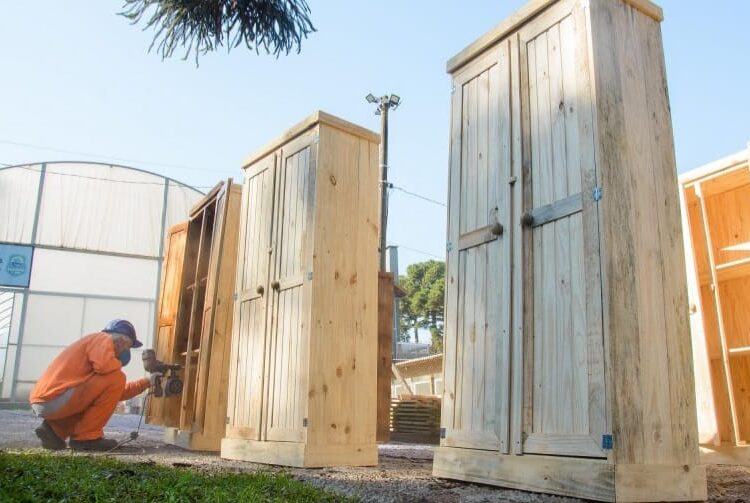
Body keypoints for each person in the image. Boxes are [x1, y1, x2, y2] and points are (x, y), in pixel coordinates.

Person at [29, 319, 156, 451]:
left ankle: (54, 430)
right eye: (128, 346)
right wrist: (118, 365)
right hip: (55, 398)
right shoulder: (102, 338)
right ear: (121, 340)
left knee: (109, 386)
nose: (126, 350)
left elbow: (116, 393)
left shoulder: (93, 348)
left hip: (49, 399)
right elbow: (104, 367)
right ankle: (86, 438)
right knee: (118, 377)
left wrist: (147, 382)